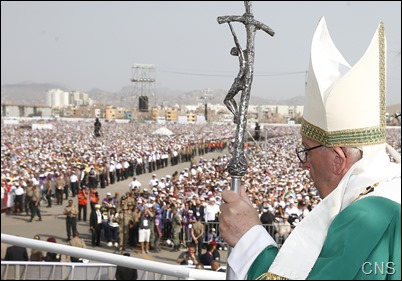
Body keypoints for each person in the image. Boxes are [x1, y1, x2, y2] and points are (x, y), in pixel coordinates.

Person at [218, 17, 401, 280]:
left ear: (338, 159)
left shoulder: (367, 217)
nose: (304, 164)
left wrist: (249, 239)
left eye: (307, 150)